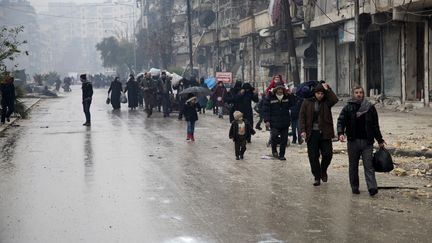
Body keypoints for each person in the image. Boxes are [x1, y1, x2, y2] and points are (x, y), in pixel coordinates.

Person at [337, 86, 385, 196]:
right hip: (353, 141)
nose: (359, 94)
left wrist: (380, 140)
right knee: (353, 166)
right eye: (357, 92)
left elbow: (375, 125)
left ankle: (372, 187)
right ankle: (354, 187)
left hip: (367, 142)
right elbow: (341, 121)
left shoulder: (370, 107)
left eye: (361, 92)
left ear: (363, 94)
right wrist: (340, 133)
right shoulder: (348, 108)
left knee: (369, 165)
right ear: (353, 94)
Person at [299, 81, 338, 186]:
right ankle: (317, 177)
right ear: (314, 93)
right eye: (318, 93)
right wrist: (302, 130)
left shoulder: (327, 102)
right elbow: (302, 117)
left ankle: (323, 170)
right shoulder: (307, 102)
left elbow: (335, 99)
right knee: (313, 156)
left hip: (325, 132)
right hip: (312, 133)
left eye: (322, 93)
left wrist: (328, 89)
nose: (320, 95)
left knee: (328, 154)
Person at [263, 85, 295, 160]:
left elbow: (293, 104)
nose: (280, 90)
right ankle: (274, 150)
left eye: (281, 89)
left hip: (285, 122)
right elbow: (266, 110)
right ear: (275, 90)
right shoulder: (270, 97)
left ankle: (282, 155)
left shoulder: (287, 97)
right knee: (274, 136)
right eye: (278, 89)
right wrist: (266, 120)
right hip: (274, 122)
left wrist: (291, 95)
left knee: (284, 139)